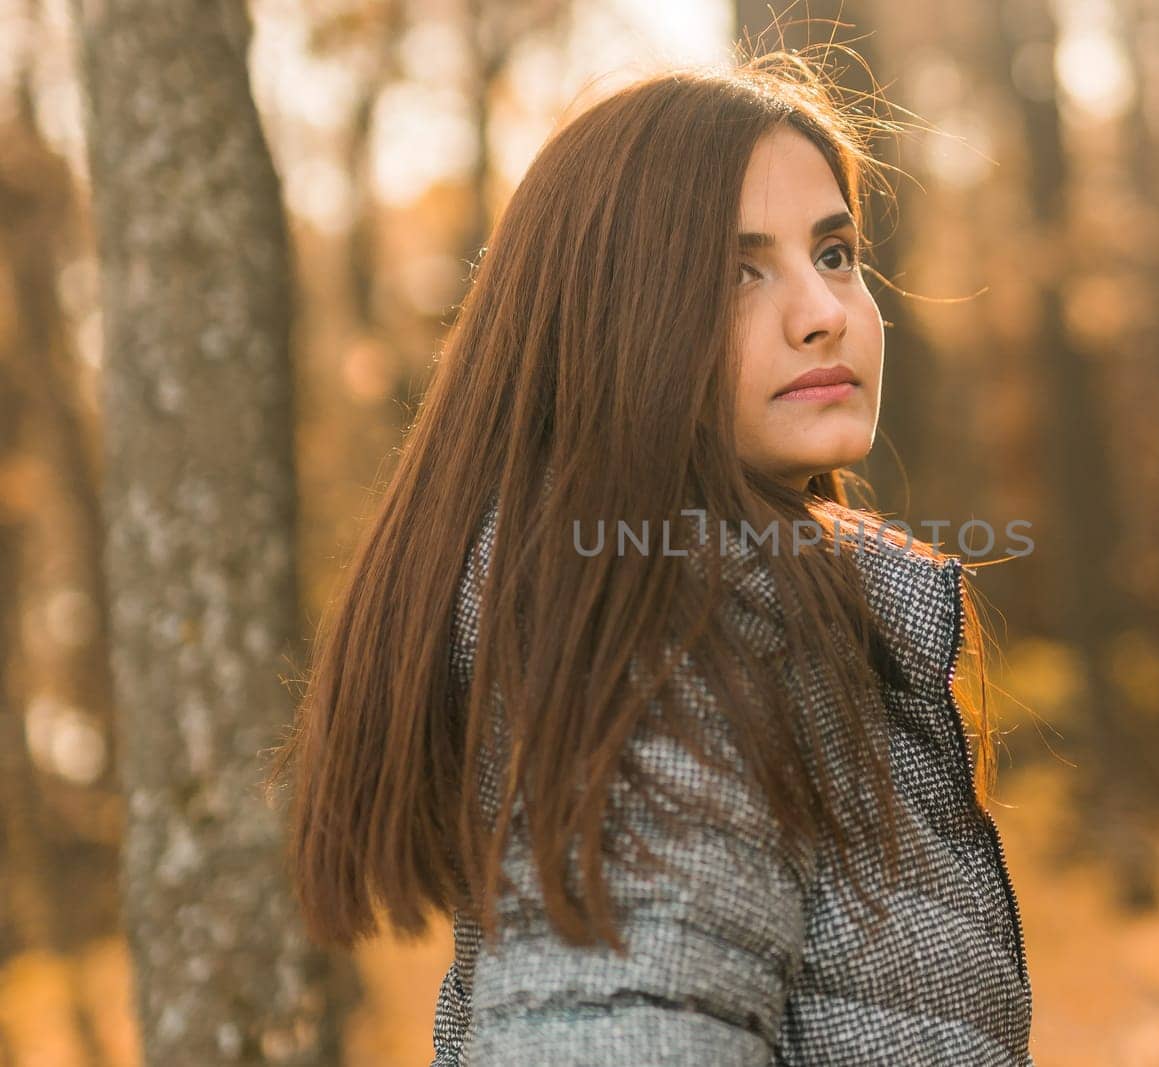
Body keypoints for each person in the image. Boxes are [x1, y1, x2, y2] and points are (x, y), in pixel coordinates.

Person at [270, 46, 1033, 1065]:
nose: (823, 312)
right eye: (735, 273)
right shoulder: (656, 634)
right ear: (611, 323)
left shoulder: (731, 610)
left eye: (836, 253)